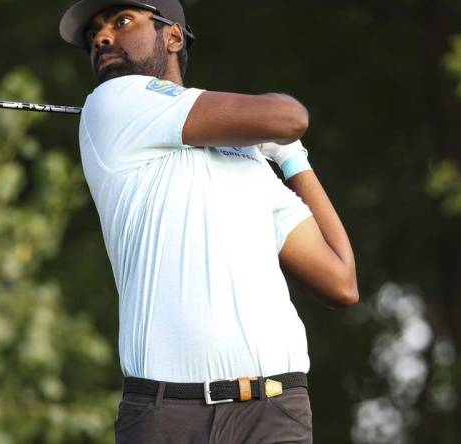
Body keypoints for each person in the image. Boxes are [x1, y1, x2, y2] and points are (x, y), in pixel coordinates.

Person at [58, 0, 359, 442]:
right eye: (94, 35)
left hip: (275, 411)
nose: (102, 38)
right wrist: (275, 132)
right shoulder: (112, 101)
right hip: (169, 415)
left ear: (173, 36)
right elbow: (289, 115)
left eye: (122, 22)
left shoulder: (247, 160)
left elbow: (341, 280)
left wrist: (293, 159)